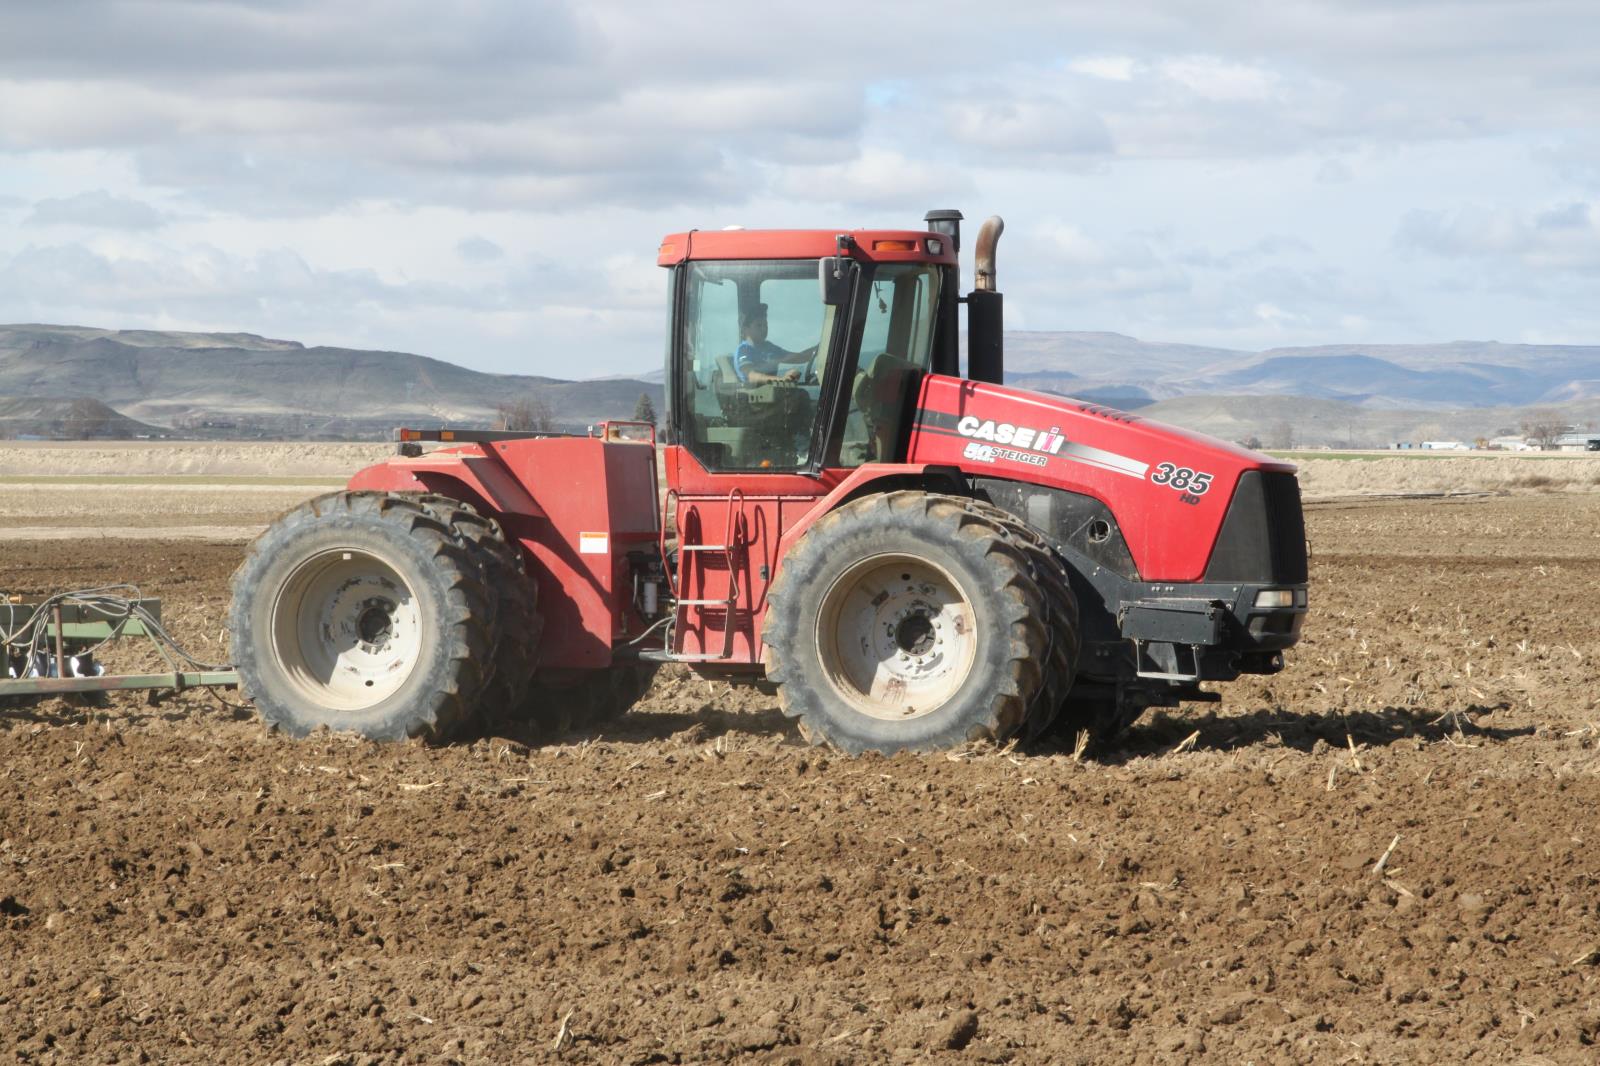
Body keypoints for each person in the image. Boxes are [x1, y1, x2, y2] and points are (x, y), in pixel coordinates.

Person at [733, 304, 811, 384]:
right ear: (746, 329)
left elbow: (799, 357)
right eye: (759, 325)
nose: (764, 329)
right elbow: (751, 376)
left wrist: (819, 349)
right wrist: (781, 380)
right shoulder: (743, 350)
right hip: (755, 394)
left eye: (765, 325)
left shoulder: (769, 348)